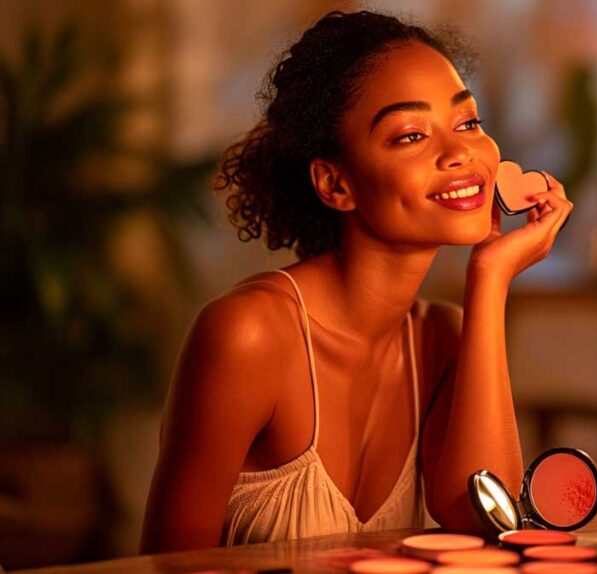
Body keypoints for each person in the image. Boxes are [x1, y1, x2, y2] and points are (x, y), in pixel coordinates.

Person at [141, 11, 572, 551]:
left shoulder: (441, 337)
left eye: (467, 123)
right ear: (336, 184)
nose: (460, 151)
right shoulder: (248, 334)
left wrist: (488, 281)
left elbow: (484, 521)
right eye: (411, 135)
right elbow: (167, 564)